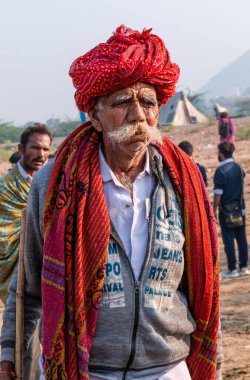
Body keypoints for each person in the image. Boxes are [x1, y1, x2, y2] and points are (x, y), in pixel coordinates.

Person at [0, 26, 221, 380]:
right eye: (122, 102)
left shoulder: (185, 182)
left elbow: (204, 285)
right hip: (85, 369)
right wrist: (9, 354)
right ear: (95, 116)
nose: (138, 115)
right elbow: (28, 286)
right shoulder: (56, 184)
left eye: (148, 102)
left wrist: (216, 359)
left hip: (167, 367)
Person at [0, 123, 52, 379]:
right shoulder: (6, 188)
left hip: (48, 271)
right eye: (35, 148)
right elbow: (4, 232)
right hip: (16, 275)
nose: (40, 154)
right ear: (21, 149)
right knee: (25, 344)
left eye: (45, 149)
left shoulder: (51, 185)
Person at [213, 142, 249, 278]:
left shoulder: (220, 170)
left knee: (228, 240)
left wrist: (214, 209)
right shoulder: (238, 168)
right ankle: (244, 267)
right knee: (242, 238)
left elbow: (218, 192)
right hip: (240, 209)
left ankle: (232, 269)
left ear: (221, 154)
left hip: (226, 211)